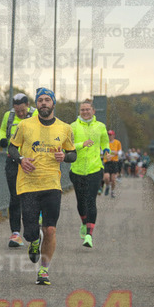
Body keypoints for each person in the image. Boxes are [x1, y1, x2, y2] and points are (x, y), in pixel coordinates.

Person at [8, 87, 76, 285]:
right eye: (40, 100)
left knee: (50, 229)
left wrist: (64, 156)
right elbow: (12, 147)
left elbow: (73, 154)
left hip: (52, 184)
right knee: (30, 232)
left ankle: (44, 270)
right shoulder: (25, 125)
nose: (44, 103)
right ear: (36, 104)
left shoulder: (65, 128)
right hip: (28, 185)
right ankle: (34, 241)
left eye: (47, 100)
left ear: (53, 103)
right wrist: (21, 159)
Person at [69, 99, 109, 248]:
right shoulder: (72, 127)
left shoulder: (100, 126)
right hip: (77, 170)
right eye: (82, 110)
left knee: (91, 201)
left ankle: (89, 235)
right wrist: (82, 144)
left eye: (88, 109)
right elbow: (68, 146)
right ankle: (84, 223)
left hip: (95, 169)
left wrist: (106, 150)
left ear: (93, 111)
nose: (85, 112)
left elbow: (105, 142)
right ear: (79, 111)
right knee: (81, 202)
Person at [0, 93, 36, 248]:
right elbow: (3, 130)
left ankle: (33, 229)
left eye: (22, 110)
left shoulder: (36, 115)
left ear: (28, 105)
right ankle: (15, 233)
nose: (20, 114)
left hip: (32, 162)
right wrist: (2, 139)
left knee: (31, 196)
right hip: (13, 160)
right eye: (17, 111)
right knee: (15, 197)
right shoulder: (8, 116)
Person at [102, 130, 122, 198]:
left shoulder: (117, 142)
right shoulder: (105, 143)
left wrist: (117, 153)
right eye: (108, 135)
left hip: (114, 162)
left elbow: (120, 152)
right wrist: (105, 155)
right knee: (106, 177)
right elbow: (101, 152)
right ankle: (107, 186)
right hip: (107, 162)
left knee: (113, 179)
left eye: (110, 135)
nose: (109, 136)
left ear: (114, 135)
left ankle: (112, 191)